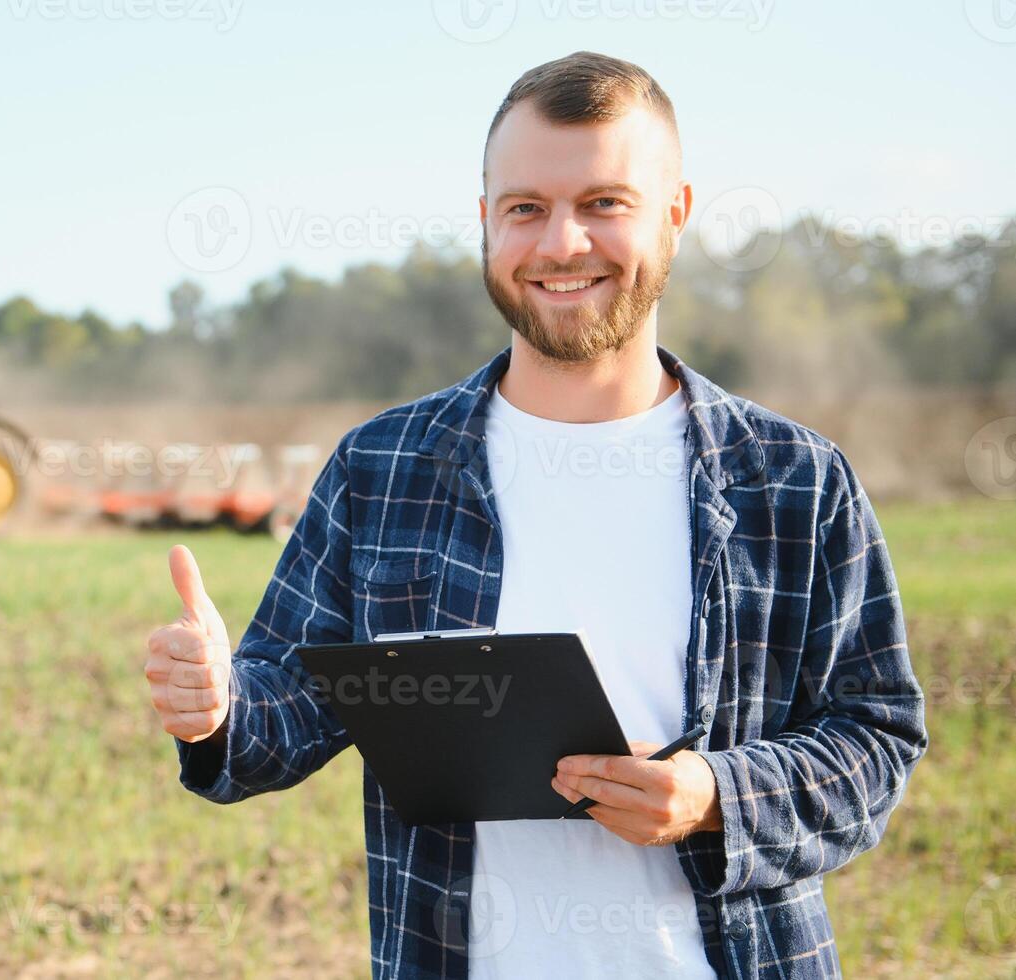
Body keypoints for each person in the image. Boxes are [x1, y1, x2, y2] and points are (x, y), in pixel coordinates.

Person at [143, 50, 928, 979]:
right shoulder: (382, 469)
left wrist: (714, 794)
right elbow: (277, 724)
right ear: (486, 222)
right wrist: (218, 706)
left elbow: (875, 741)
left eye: (603, 202)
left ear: (674, 214)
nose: (560, 244)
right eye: (525, 208)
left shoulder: (795, 482)